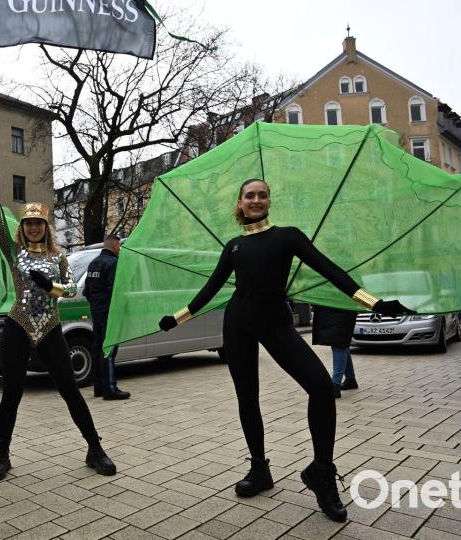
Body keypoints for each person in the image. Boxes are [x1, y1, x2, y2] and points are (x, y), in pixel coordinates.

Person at [157, 179, 413, 522]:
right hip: (237, 325)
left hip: (276, 323)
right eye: (250, 195)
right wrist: (177, 318)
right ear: (240, 203)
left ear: (269, 202)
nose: (257, 199)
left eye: (262, 195)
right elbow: (211, 288)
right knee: (247, 398)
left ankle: (321, 472)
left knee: (321, 388)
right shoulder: (233, 246)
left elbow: (330, 269)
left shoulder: (287, 236)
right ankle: (260, 470)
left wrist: (374, 301)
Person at [0, 164, 116, 482]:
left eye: (38, 223)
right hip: (18, 323)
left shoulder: (59, 259)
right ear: (24, 226)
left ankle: (94, 449)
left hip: (50, 326)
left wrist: (49, 286)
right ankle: (2, 455)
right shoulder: (14, 253)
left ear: (46, 226)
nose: (32, 227)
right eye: (27, 222)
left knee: (70, 390)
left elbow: (70, 289)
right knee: (11, 391)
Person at [83, 234, 129, 400]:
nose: (120, 250)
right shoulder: (113, 263)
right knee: (109, 349)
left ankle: (99, 387)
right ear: (116, 245)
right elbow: (115, 291)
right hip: (109, 312)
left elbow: (86, 291)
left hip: (97, 311)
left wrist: (96, 305)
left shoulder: (93, 263)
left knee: (97, 349)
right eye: (119, 246)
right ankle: (110, 389)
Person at [311, 305, 358, 398]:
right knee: (341, 344)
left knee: (339, 343)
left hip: (341, 310)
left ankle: (335, 384)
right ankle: (350, 379)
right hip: (335, 310)